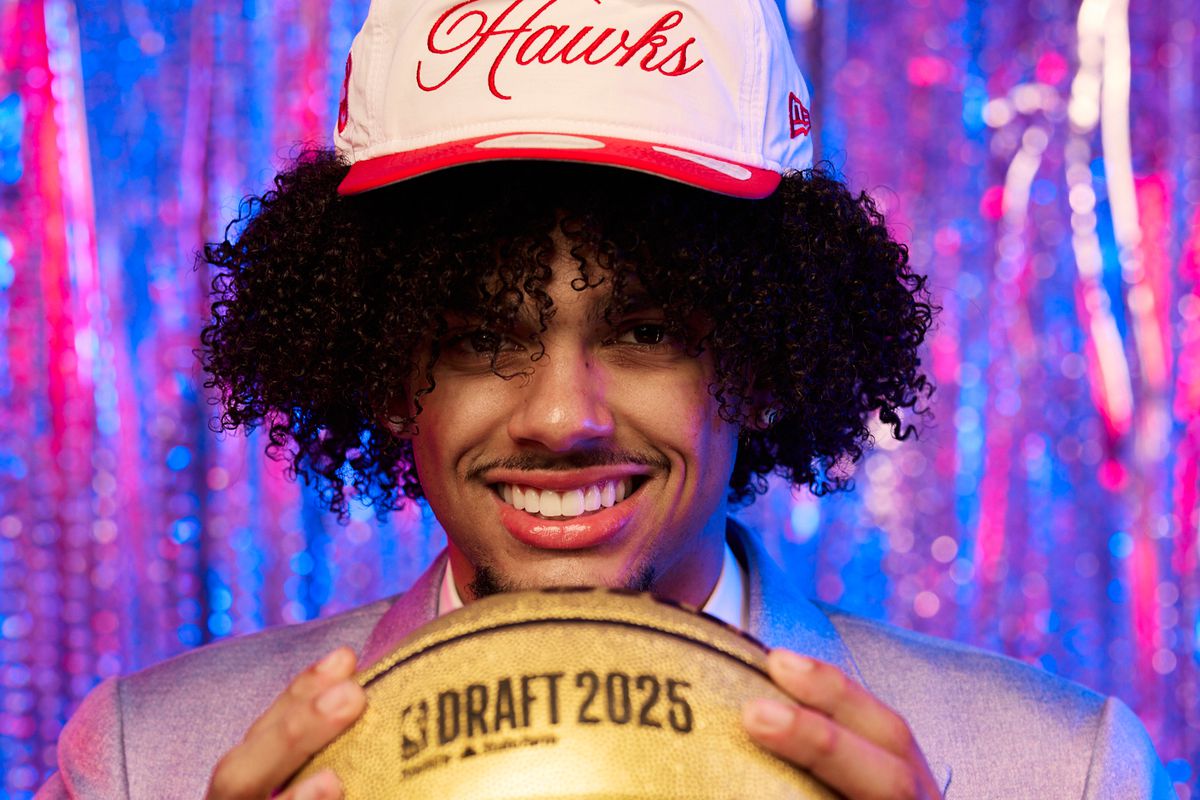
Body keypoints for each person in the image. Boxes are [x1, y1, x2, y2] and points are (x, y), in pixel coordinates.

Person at [38, 0, 1174, 798]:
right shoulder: (148, 761)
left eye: (645, 332)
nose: (561, 416)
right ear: (384, 367)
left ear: (765, 357)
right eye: (482, 336)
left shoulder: (1059, 769)